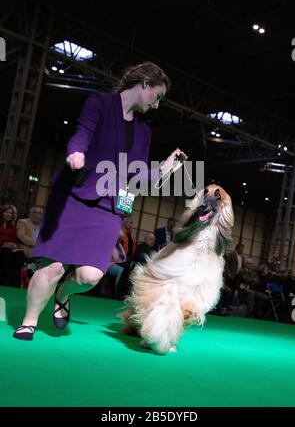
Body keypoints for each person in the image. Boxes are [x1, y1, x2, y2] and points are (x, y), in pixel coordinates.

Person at [13, 61, 187, 340]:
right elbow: (82, 133)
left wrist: (165, 169)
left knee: (90, 276)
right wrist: (76, 153)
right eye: (158, 96)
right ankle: (29, 321)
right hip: (74, 196)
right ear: (145, 85)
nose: (157, 104)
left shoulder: (144, 131)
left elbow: (137, 175)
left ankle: (63, 294)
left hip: (108, 208)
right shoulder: (100, 103)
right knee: (54, 265)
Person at [0, 204, 24, 287]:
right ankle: (4, 279)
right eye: (6, 212)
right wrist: (3, 244)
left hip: (9, 248)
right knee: (6, 252)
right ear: (2, 213)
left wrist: (14, 245)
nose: (9, 214)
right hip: (2, 248)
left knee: (19, 254)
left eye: (11, 213)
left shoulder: (13, 227)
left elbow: (14, 240)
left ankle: (15, 281)